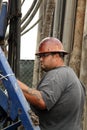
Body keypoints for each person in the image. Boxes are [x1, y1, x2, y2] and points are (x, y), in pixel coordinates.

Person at [18, 37, 85, 130]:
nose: (41, 59)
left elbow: (42, 101)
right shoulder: (72, 76)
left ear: (57, 55)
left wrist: (12, 82)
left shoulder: (57, 74)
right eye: (39, 56)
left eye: (44, 55)